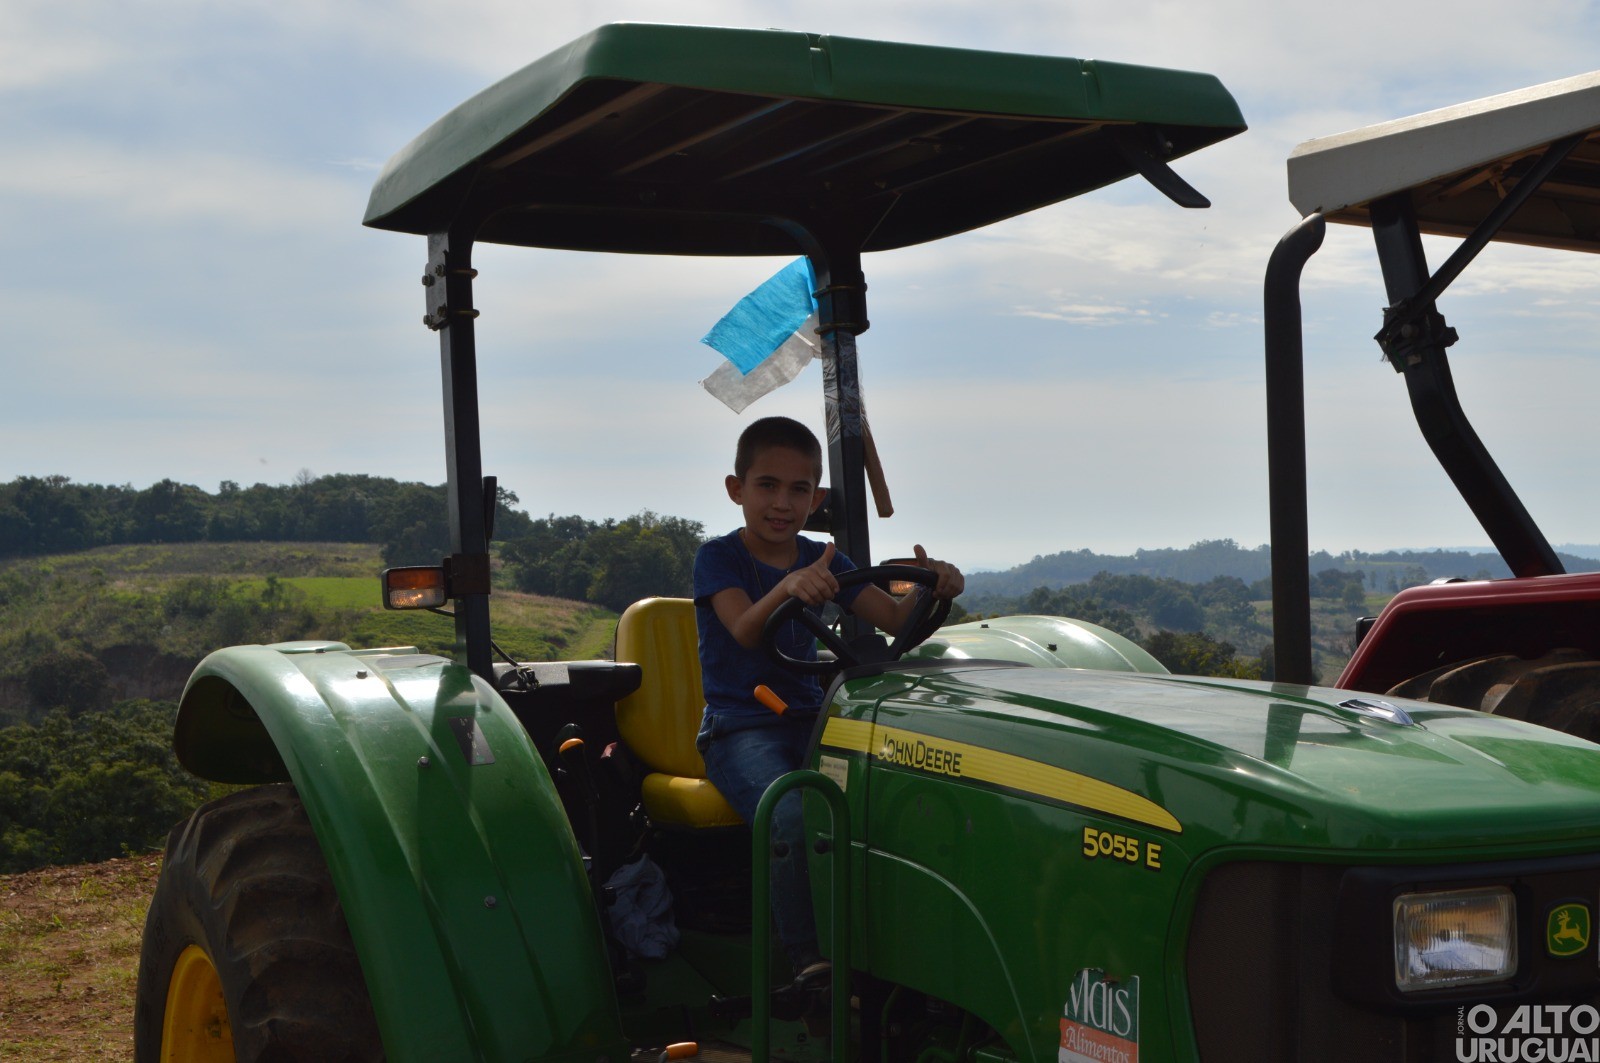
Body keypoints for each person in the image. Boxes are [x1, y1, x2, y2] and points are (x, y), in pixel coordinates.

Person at [693, 415, 963, 984]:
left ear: (815, 498)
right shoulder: (719, 558)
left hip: (815, 720)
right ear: (736, 490)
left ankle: (888, 947)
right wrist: (788, 589)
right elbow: (743, 627)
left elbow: (892, 619)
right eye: (767, 485)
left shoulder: (826, 559)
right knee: (791, 812)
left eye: (797, 490)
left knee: (883, 805)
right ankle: (809, 960)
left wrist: (931, 586)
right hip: (740, 726)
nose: (781, 503)